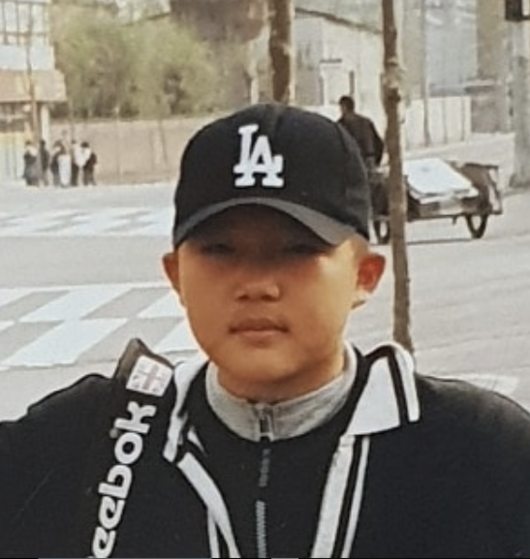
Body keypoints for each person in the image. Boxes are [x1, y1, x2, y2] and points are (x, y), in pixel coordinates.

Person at [1, 104, 530, 559]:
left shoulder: (478, 451)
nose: (256, 284)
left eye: (297, 249)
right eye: (219, 250)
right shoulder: (94, 439)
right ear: (176, 275)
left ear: (364, 276)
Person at [337, 94, 384, 171]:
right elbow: (379, 143)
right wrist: (376, 161)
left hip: (352, 162)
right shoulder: (367, 122)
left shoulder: (341, 125)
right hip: (369, 161)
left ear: (344, 107)